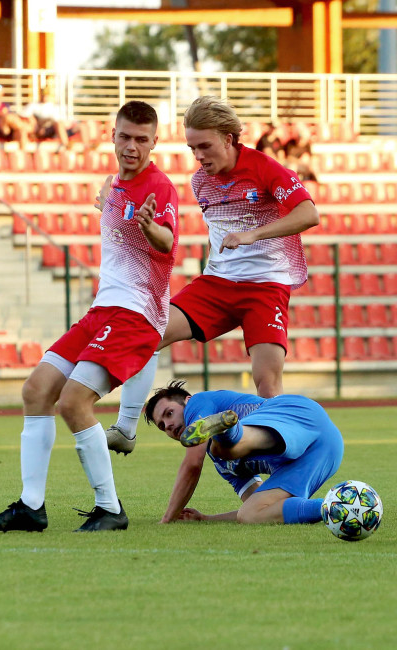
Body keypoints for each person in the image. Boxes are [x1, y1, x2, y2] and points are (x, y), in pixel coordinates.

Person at [101, 95, 319, 517]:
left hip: (266, 287)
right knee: (148, 333)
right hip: (217, 284)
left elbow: (309, 213)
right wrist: (109, 193)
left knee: (267, 386)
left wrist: (255, 236)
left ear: (231, 138)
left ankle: (278, 475)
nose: (198, 157)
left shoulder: (266, 169)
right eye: (191, 148)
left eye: (205, 147)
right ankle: (127, 426)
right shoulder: (200, 182)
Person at [0, 100, 179, 533]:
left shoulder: (158, 188)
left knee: (73, 401)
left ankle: (110, 508)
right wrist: (107, 204)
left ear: (154, 142)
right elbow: (118, 215)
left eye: (142, 139)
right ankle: (31, 507)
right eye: (125, 136)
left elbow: (166, 242)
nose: (132, 146)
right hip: (102, 310)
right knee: (36, 391)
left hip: (135, 315)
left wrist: (150, 228)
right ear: (112, 135)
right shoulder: (115, 187)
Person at [144, 381, 343, 525]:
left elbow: (193, 463)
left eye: (169, 413)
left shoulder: (198, 401)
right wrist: (205, 519)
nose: (169, 425)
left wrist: (168, 517)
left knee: (219, 449)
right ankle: (336, 507)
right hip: (325, 450)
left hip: (297, 414)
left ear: (187, 401)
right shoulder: (223, 465)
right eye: (162, 426)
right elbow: (254, 501)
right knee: (252, 514)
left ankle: (229, 430)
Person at [0, 84, 29, 151]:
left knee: (21, 132)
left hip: (7, 130)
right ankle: (26, 127)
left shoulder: (5, 105)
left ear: (2, 93)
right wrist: (3, 114)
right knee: (8, 117)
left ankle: (23, 155)